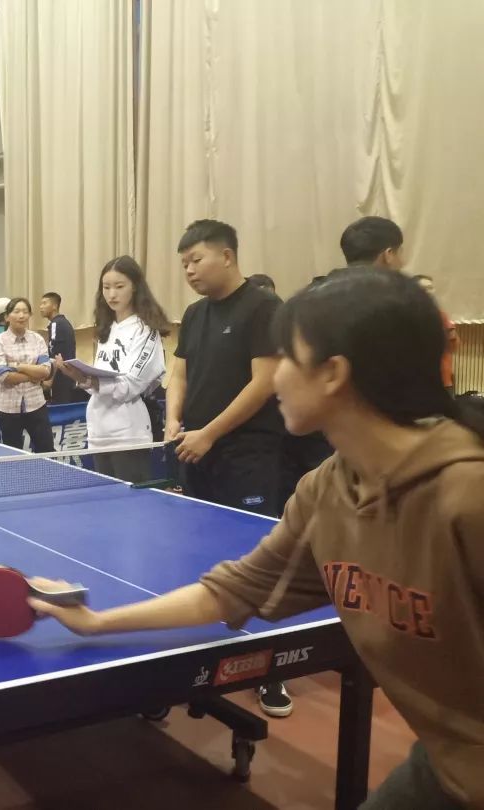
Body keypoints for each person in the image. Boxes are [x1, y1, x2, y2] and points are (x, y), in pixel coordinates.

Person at [32, 269, 484, 810]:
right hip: (448, 766)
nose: (274, 375)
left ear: (333, 374)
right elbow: (235, 590)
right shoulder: (327, 491)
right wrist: (96, 621)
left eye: (287, 356)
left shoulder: (467, 496)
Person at [167, 219, 291, 717]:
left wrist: (210, 433)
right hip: (196, 452)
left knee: (256, 563)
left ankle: (273, 671)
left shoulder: (263, 307)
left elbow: (264, 382)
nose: (189, 270)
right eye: (184, 264)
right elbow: (179, 372)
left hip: (247, 455)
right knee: (201, 556)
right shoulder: (195, 313)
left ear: (227, 255)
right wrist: (173, 418)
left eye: (196, 260)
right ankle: (200, 658)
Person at [53, 257, 170, 482]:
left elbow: (129, 386)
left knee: (131, 502)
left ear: (135, 287)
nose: (111, 294)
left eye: (119, 286)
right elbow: (99, 385)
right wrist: (80, 377)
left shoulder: (145, 331)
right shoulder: (107, 329)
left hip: (128, 435)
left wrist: (92, 381)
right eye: (106, 287)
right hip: (99, 433)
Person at [0, 298, 54, 452]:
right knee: (13, 454)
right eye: (17, 311)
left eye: (25, 312)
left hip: (36, 404)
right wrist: (34, 374)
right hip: (8, 407)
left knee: (46, 450)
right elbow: (5, 377)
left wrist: (18, 367)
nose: (21, 316)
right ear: (7, 317)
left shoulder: (38, 339)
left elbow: (45, 371)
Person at [414, 274, 459, 394]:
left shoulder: (441, 315)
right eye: (424, 288)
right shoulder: (404, 315)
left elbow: (453, 347)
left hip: (442, 379)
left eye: (430, 288)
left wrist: (451, 334)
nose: (428, 291)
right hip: (415, 381)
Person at [39, 292, 83, 405]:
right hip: (66, 375)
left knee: (61, 406)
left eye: (44, 303)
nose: (41, 307)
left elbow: (55, 353)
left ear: (54, 306)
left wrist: (49, 379)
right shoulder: (61, 323)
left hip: (61, 377)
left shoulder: (56, 324)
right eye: (41, 304)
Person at [338, 216, 405, 271]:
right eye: (400, 252)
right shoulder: (404, 283)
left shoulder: (333, 281)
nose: (402, 263)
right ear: (389, 255)